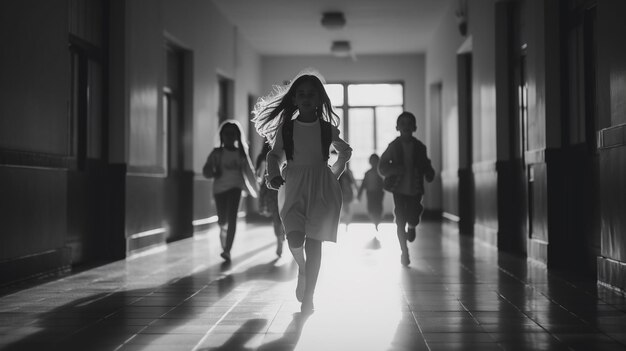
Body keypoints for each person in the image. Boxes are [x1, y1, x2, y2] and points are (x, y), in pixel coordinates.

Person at [252, 68, 352, 313]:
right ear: (294, 99)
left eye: (312, 94)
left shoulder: (326, 128)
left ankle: (309, 296)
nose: (306, 98)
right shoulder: (287, 129)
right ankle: (303, 269)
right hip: (293, 186)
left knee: (315, 243)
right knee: (295, 237)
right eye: (301, 94)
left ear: (319, 99)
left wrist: (333, 174)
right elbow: (274, 155)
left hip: (322, 189)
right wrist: (272, 174)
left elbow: (345, 151)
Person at [378, 112, 435, 266]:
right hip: (398, 190)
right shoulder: (393, 146)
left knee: (413, 215)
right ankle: (404, 251)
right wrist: (395, 169)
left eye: (409, 123)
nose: (406, 126)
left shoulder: (419, 147)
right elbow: (382, 166)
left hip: (415, 189)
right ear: (397, 127)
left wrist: (429, 173)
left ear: (414, 127)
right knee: (400, 220)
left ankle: (412, 225)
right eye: (402, 123)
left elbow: (426, 163)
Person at [203, 120, 259, 262]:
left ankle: (227, 250)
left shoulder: (241, 154)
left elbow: (249, 171)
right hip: (219, 189)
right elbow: (206, 170)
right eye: (226, 134)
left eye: (232, 134)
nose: (229, 137)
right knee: (222, 219)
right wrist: (211, 171)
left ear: (236, 136)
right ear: (222, 136)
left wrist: (258, 191)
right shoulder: (217, 153)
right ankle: (223, 229)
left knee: (232, 217)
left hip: (236, 187)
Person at [255, 141, 285, 257]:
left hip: (270, 190)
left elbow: (259, 177)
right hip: (282, 188)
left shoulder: (264, 157)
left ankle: (280, 240)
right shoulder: (284, 153)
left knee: (276, 217)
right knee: (282, 215)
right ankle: (282, 238)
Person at [357, 153, 385, 232]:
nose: (374, 163)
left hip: (379, 193)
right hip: (370, 193)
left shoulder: (380, 172)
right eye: (372, 161)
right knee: (370, 209)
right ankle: (375, 221)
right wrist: (359, 194)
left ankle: (377, 222)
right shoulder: (367, 173)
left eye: (375, 161)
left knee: (378, 208)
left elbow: (384, 183)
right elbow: (363, 184)